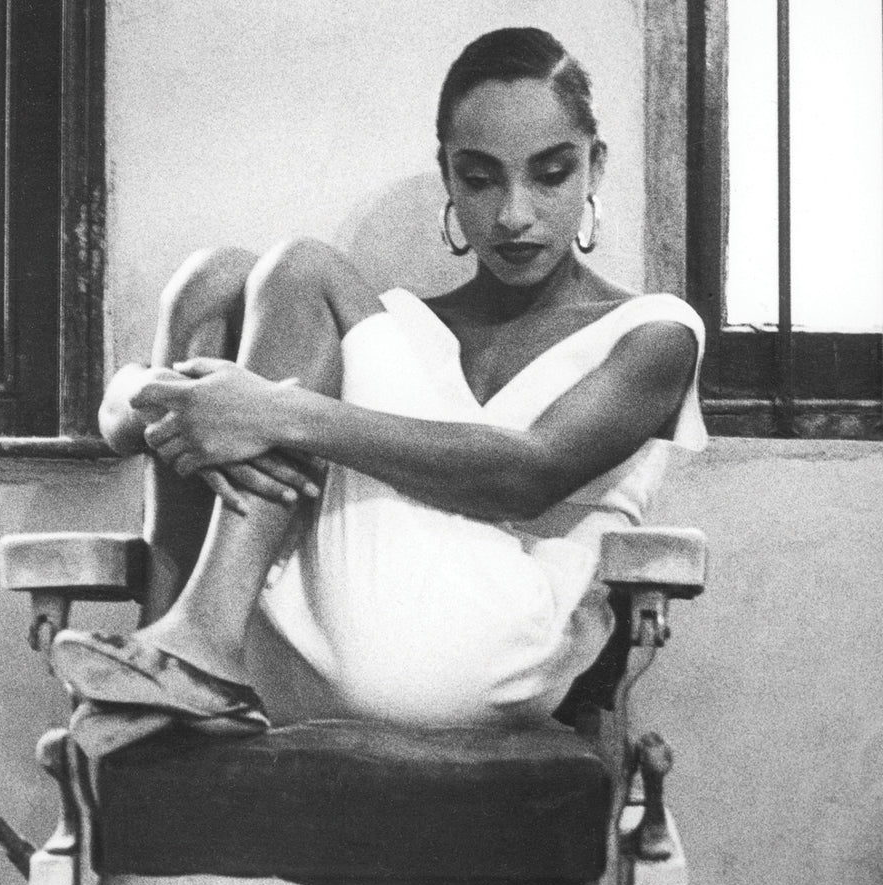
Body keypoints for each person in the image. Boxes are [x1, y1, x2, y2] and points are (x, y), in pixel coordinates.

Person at [52, 27, 706, 750]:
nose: (515, 213)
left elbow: (528, 476)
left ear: (595, 168)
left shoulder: (654, 331)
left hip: (489, 647)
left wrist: (282, 414)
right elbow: (117, 423)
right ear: (449, 176)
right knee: (215, 279)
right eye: (481, 178)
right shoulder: (400, 326)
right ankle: (173, 655)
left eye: (550, 174)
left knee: (301, 268)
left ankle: (200, 641)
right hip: (319, 634)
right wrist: (152, 393)